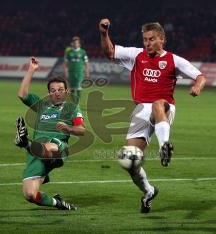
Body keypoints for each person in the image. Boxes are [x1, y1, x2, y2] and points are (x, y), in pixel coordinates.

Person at [99, 19, 206, 213]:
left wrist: (197, 86)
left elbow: (200, 76)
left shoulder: (174, 60)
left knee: (158, 103)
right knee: (129, 160)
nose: (147, 43)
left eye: (151, 39)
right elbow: (110, 52)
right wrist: (104, 34)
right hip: (141, 111)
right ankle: (148, 191)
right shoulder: (136, 55)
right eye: (145, 39)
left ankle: (165, 145)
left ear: (162, 39)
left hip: (164, 108)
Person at [15, 57, 85, 210]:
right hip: (36, 151)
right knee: (30, 195)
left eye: (60, 90)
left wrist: (68, 128)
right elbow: (21, 94)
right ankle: (58, 202)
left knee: (50, 146)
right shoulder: (42, 105)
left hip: (59, 147)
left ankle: (25, 142)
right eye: (53, 91)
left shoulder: (71, 108)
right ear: (49, 93)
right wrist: (31, 70)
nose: (57, 93)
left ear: (66, 91)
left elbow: (81, 131)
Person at [63, 36, 90, 101]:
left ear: (79, 44)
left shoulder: (82, 52)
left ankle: (77, 102)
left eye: (77, 43)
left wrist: (87, 72)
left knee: (78, 88)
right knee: (72, 88)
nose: (75, 44)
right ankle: (74, 102)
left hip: (79, 72)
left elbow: (86, 63)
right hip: (71, 72)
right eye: (74, 43)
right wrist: (66, 72)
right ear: (72, 43)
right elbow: (65, 64)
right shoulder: (69, 52)